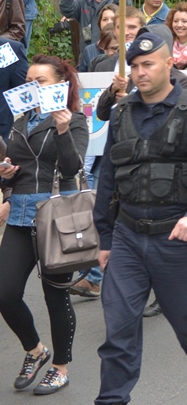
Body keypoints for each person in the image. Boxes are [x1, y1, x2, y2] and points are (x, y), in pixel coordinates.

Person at [92, 32, 187, 405]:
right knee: (119, 329)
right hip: (127, 237)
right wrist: (104, 239)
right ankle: (112, 399)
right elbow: (108, 178)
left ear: (169, 64)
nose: (140, 72)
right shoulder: (121, 113)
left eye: (148, 64)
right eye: (135, 66)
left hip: (175, 238)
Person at [0, 55, 88, 395]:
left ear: (60, 85)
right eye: (30, 82)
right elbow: (20, 165)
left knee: (56, 297)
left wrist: (63, 130)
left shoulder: (75, 120)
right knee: (5, 293)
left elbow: (71, 168)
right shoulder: (21, 120)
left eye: (42, 82)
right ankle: (35, 350)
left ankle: (60, 367)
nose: (33, 88)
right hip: (21, 216)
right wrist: (7, 171)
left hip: (57, 220)